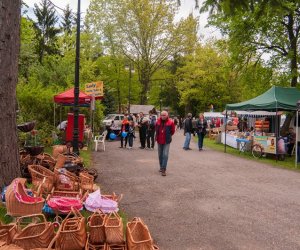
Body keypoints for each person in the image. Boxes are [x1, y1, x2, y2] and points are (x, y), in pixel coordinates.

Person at [155, 110, 175, 176]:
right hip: (159, 140)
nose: (163, 116)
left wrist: (168, 136)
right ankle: (161, 167)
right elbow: (156, 129)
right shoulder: (157, 121)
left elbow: (173, 131)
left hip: (167, 141)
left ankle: (163, 169)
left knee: (165, 155)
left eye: (164, 115)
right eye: (162, 115)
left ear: (167, 115)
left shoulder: (170, 122)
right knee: (160, 155)